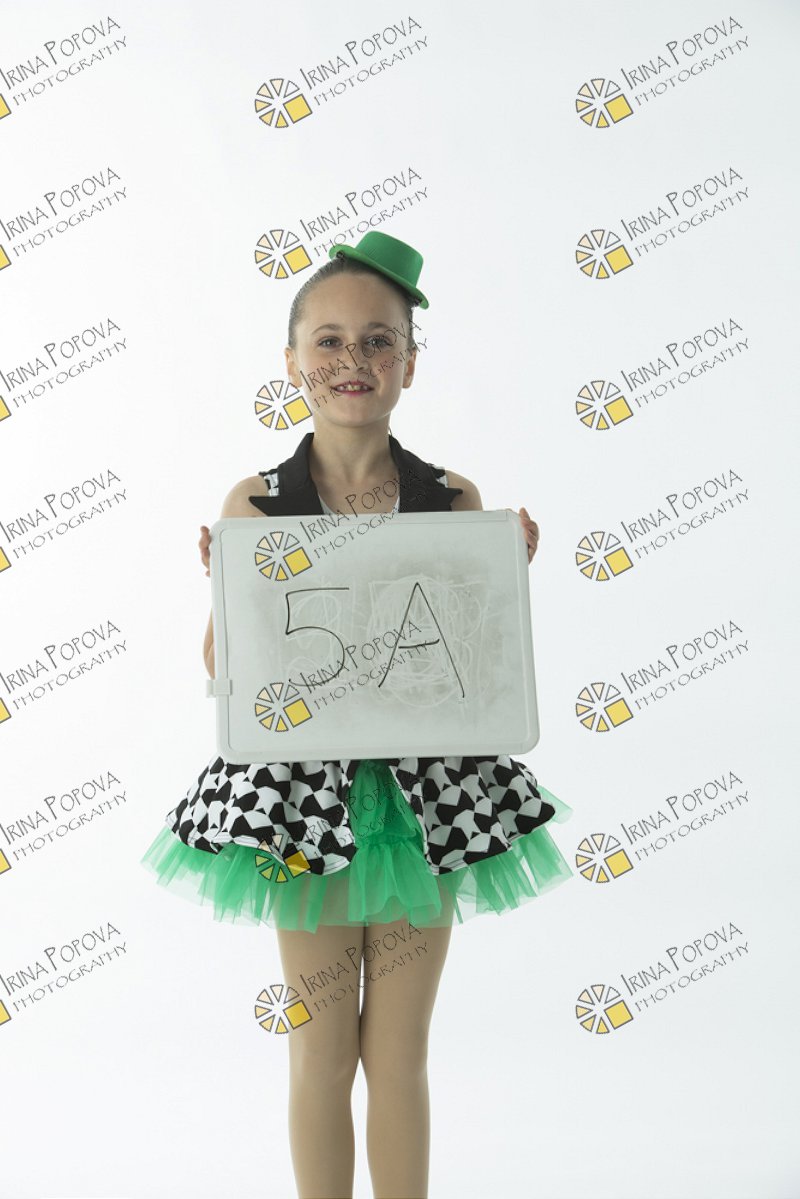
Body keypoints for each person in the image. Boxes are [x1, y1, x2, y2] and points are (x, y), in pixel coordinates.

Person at [140, 230, 575, 1199]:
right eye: (329, 340)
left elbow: (473, 665)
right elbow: (225, 674)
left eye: (379, 341)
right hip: (301, 805)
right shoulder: (257, 502)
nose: (353, 360)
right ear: (292, 360)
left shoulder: (450, 497)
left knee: (400, 1050)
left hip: (427, 802)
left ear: (410, 363)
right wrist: (226, 591)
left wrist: (505, 570)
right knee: (321, 1047)